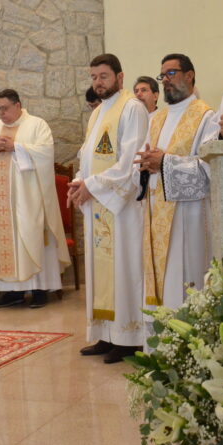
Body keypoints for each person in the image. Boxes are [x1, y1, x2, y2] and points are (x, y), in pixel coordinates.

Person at [69, 54, 149, 364]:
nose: (98, 82)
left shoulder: (133, 109)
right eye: (94, 77)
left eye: (103, 76)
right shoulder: (98, 112)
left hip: (122, 209)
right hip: (99, 202)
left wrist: (93, 185)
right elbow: (86, 155)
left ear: (119, 76)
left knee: (123, 269)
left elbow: (131, 160)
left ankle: (127, 339)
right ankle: (105, 334)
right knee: (101, 271)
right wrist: (79, 182)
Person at [134, 54, 218, 327]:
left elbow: (209, 170)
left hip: (187, 218)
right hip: (156, 211)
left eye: (171, 73)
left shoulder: (207, 116)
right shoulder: (156, 118)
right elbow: (148, 156)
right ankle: (159, 350)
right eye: (163, 76)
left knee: (183, 283)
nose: (166, 81)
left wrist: (165, 163)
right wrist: (145, 165)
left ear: (190, 75)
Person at [0, 89, 70, 310]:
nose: (1, 113)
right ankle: (10, 292)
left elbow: (45, 153)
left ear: (18, 105)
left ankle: (39, 290)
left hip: (30, 198)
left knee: (32, 236)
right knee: (4, 241)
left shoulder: (37, 125)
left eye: (5, 108)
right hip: (0, 202)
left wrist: (15, 147)